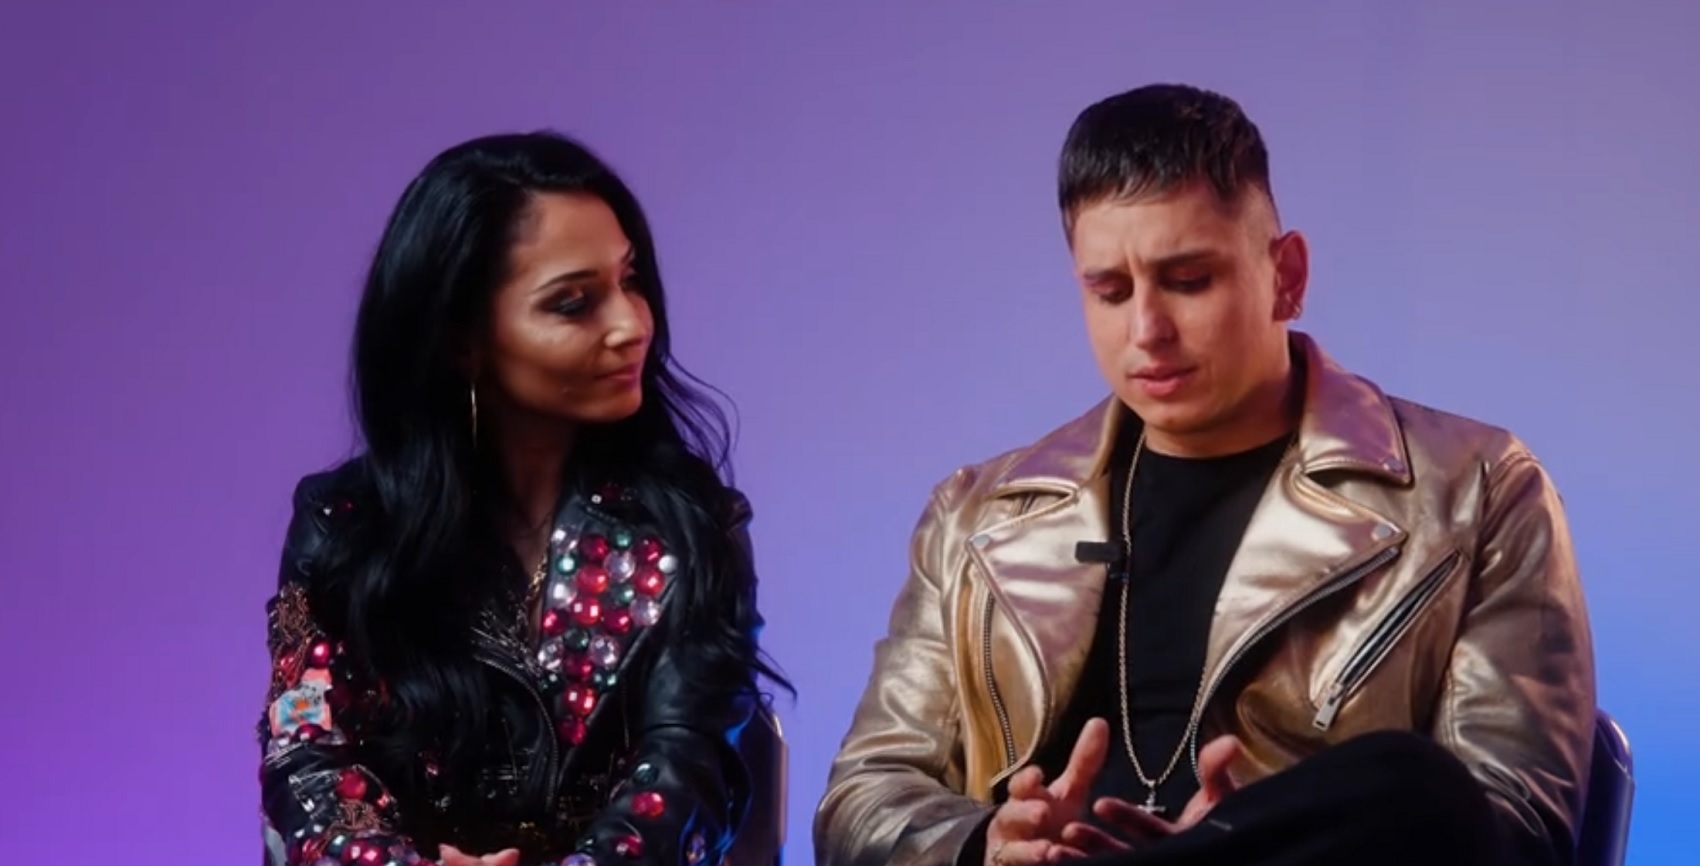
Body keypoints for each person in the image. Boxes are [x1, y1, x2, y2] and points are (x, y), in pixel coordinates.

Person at [813, 84, 1595, 866]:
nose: (1146, 330)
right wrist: (987, 841)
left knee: (1416, 785)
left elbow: (1513, 824)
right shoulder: (975, 517)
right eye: (1110, 292)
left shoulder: (1478, 489)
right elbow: (863, 796)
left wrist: (1244, 838)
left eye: (1189, 281)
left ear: (1286, 275)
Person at [257, 131, 789, 866]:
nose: (631, 324)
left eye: (631, 279)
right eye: (574, 303)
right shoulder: (343, 527)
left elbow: (689, 770)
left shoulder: (695, 527)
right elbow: (306, 756)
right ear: (462, 340)